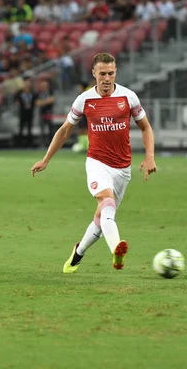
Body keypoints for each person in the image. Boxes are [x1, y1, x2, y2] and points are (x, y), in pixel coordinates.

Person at [31, 53, 157, 273]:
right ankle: (116, 248)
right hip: (96, 162)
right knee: (107, 201)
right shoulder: (84, 99)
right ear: (94, 74)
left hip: (123, 168)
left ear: (115, 72)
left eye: (110, 73)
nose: (106, 78)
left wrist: (149, 157)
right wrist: (46, 159)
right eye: (102, 74)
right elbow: (64, 130)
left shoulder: (128, 97)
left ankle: (77, 253)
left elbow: (145, 127)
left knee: (101, 218)